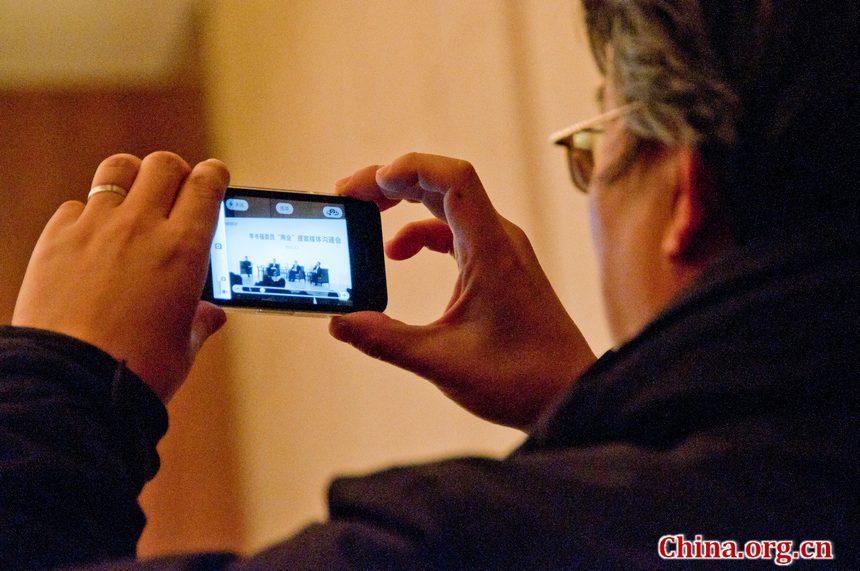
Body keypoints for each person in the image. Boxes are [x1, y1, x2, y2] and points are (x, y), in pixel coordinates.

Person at [0, 0, 856, 568]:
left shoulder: (466, 544)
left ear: (686, 192)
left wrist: (64, 382)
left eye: (593, 148)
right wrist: (589, 407)